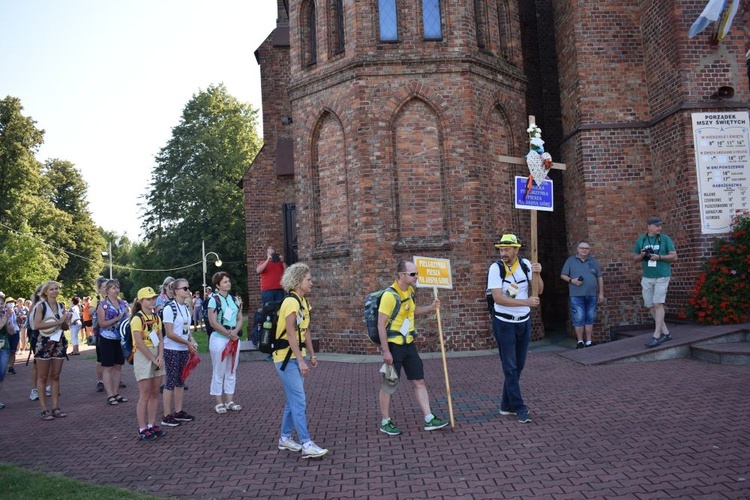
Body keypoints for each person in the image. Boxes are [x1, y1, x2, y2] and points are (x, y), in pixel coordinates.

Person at [378, 260, 449, 436]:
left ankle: (428, 418)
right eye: (412, 274)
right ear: (401, 275)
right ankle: (385, 421)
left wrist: (431, 308)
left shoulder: (410, 291)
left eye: (416, 274)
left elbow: (412, 311)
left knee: (419, 380)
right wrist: (386, 351)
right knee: (389, 383)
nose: (416, 277)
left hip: (409, 344)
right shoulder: (389, 295)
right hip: (394, 346)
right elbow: (381, 324)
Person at [273, 262, 328, 458]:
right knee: (299, 400)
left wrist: (311, 355)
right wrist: (301, 360)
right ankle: (306, 444)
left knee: (293, 400)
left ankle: (285, 438)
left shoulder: (303, 302)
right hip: (286, 359)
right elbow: (290, 333)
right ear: (298, 281)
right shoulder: (291, 302)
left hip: (297, 356)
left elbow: (305, 331)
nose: (311, 283)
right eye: (308, 279)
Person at [487, 234, 544, 424]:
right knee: (509, 366)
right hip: (504, 323)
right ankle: (519, 407)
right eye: (501, 249)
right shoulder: (495, 268)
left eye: (507, 249)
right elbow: (498, 298)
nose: (503, 252)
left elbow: (540, 290)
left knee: (518, 365)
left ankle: (506, 405)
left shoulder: (526, 264)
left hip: (523, 321)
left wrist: (537, 273)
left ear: (516, 250)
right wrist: (526, 301)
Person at [633, 217, 678, 348]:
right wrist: (642, 255)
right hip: (647, 277)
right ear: (649, 226)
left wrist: (660, 257)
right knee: (650, 305)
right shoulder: (641, 240)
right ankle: (666, 333)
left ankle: (656, 335)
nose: (659, 228)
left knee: (658, 303)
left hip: (662, 275)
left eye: (660, 226)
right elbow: (635, 258)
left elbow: (674, 256)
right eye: (656, 225)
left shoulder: (665, 239)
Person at [130, 287, 166, 441]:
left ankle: (152, 424)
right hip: (143, 355)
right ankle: (142, 427)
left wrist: (160, 355)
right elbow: (139, 342)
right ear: (140, 301)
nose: (152, 301)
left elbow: (159, 337)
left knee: (154, 392)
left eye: (153, 298)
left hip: (156, 354)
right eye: (148, 299)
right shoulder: (137, 318)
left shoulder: (156, 317)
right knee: (144, 394)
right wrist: (153, 358)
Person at [160, 278, 197, 428]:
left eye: (188, 288)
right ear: (176, 291)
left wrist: (191, 340)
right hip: (172, 349)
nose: (187, 290)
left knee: (181, 380)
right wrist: (187, 343)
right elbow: (169, 333)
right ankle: (166, 415)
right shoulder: (170, 308)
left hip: (182, 348)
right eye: (184, 288)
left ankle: (178, 411)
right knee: (170, 381)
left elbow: (186, 329)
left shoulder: (185, 307)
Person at [206, 271, 243, 414]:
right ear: (217, 285)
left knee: (231, 369)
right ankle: (218, 402)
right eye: (225, 282)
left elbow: (240, 318)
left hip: (233, 338)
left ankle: (230, 400)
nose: (228, 283)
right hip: (220, 338)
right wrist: (228, 333)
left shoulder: (235, 299)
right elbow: (213, 323)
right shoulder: (214, 300)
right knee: (219, 370)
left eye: (228, 281)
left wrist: (235, 332)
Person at [33, 281, 70, 420]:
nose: (54, 291)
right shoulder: (41, 306)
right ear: (45, 292)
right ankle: (44, 410)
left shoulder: (61, 306)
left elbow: (64, 327)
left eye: (56, 289)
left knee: (55, 375)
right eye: (51, 289)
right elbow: (37, 325)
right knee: (42, 376)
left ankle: (55, 408)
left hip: (58, 342)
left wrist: (65, 321)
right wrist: (58, 322)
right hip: (44, 343)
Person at [561, 241, 604, 348]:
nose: (584, 250)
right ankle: (580, 341)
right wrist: (572, 280)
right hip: (576, 295)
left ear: (589, 250)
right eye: (582, 248)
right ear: (577, 249)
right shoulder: (571, 261)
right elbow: (563, 275)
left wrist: (601, 293)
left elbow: (599, 277)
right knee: (579, 318)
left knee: (590, 317)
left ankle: (589, 341)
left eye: (587, 248)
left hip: (592, 294)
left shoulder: (593, 261)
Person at [97, 279, 129, 405]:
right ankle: (109, 394)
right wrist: (117, 318)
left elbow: (128, 318)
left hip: (119, 338)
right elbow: (102, 323)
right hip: (107, 338)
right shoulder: (103, 305)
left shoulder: (123, 303)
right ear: (107, 290)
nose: (116, 290)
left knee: (118, 366)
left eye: (117, 287)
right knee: (108, 367)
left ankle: (116, 393)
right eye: (113, 288)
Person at [0, 295, 13, 408]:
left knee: (1, 374)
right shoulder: (4, 316)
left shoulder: (4, 315)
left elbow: (11, 331)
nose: (1, 306)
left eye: (2, 304)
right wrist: (6, 317)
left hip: (4, 347)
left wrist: (10, 320)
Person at [3, 296, 19, 374]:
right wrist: (8, 314)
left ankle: (11, 367)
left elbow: (20, 322)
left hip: (16, 332)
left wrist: (19, 317)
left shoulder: (16, 311)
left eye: (12, 302)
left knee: (13, 351)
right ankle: (3, 367)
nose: (11, 304)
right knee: (5, 351)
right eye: (9, 302)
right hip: (6, 333)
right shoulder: (3, 312)